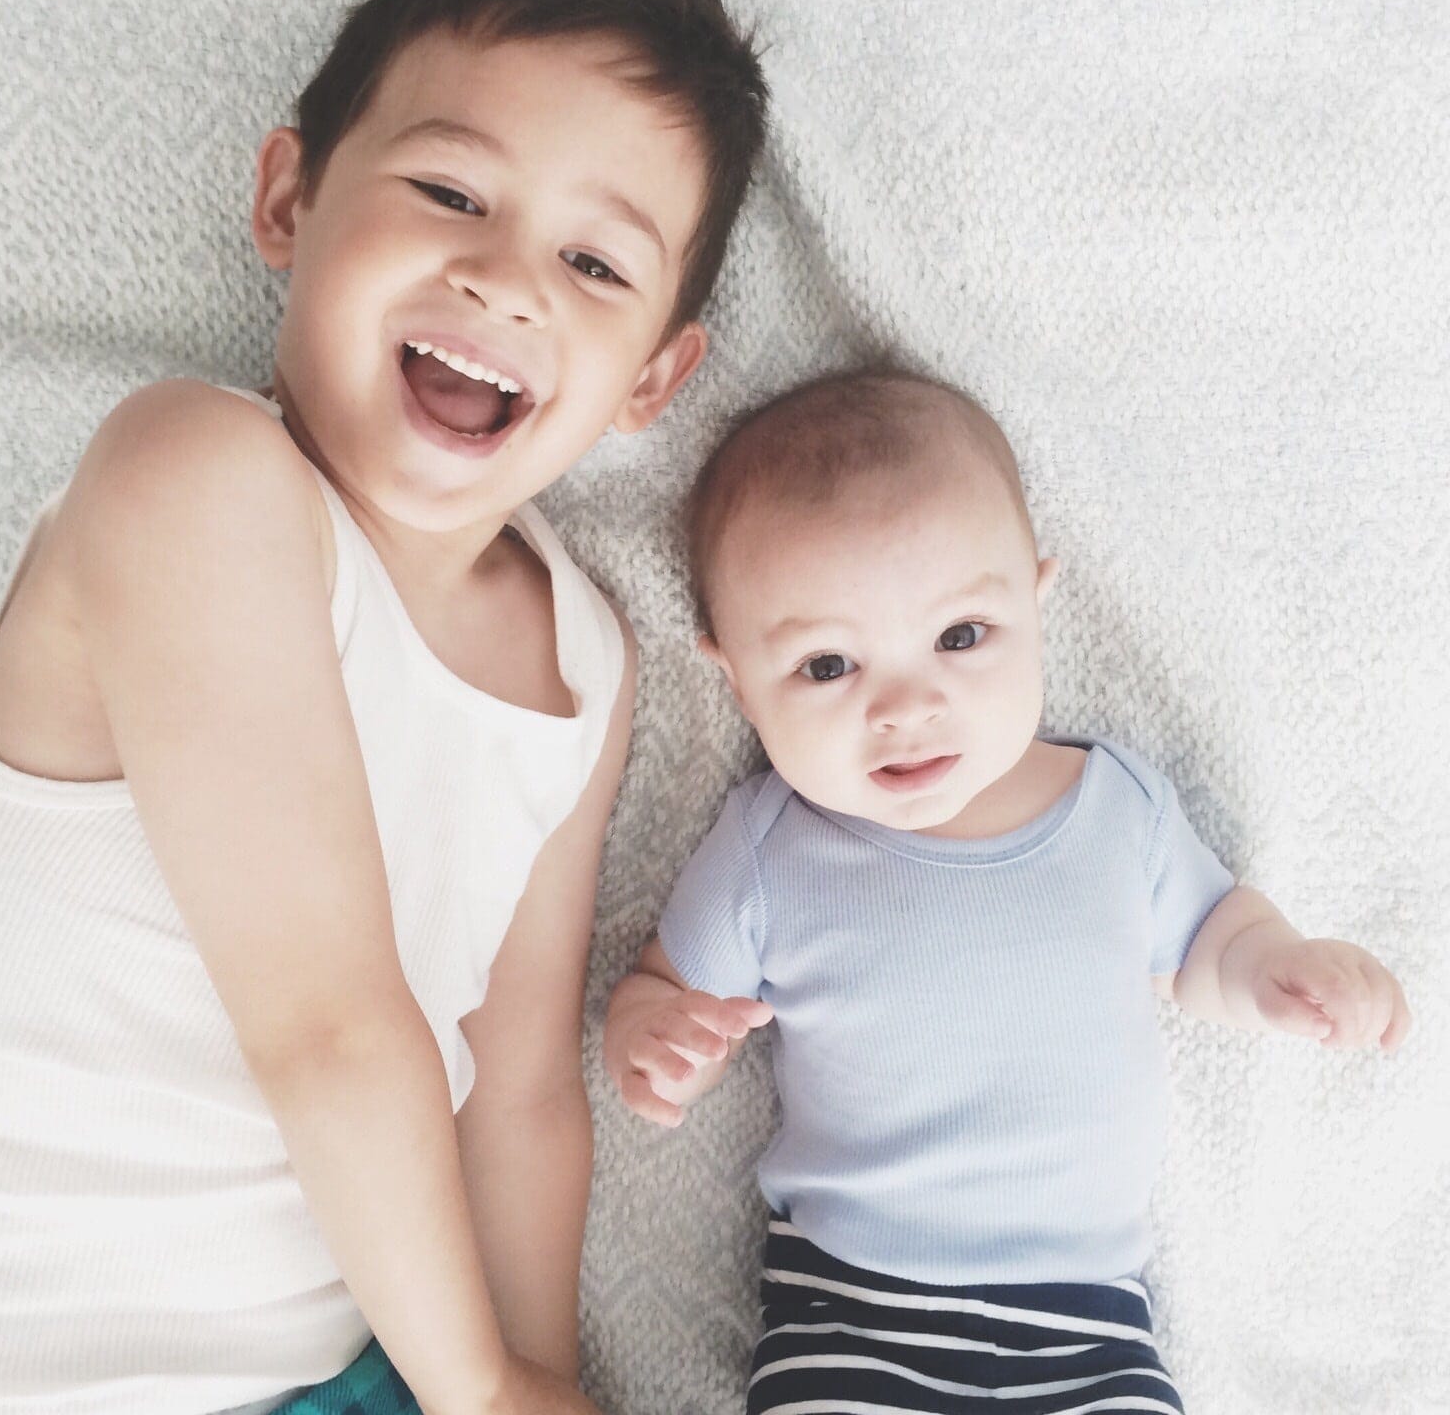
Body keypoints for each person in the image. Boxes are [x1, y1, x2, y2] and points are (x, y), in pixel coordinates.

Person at [0, 0, 768, 1415]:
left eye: (594, 263)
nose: (502, 278)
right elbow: (330, 1026)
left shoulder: (582, 671)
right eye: (450, 191)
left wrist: (533, 1375)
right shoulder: (193, 482)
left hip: (354, 1373)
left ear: (650, 385)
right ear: (289, 200)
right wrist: (483, 1388)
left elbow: (525, 1082)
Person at [603, 368, 1411, 1415]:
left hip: (1089, 1323)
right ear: (733, 678)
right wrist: (658, 1039)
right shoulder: (770, 844)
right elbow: (663, 985)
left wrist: (1279, 969)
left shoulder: (1117, 810)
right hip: (853, 1311)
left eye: (959, 638)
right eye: (827, 665)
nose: (904, 706)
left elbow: (1211, 942)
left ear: (1035, 599)